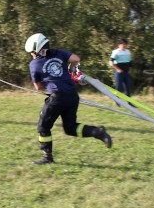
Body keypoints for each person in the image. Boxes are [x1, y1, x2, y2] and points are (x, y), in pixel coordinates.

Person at [25, 33, 112, 165]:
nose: (31, 55)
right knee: (70, 128)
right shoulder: (59, 53)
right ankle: (98, 132)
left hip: (57, 98)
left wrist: (48, 84)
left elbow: (38, 87)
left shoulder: (34, 64)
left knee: (43, 127)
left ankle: (47, 157)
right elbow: (76, 58)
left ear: (37, 51)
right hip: (72, 95)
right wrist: (70, 70)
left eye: (31, 52)